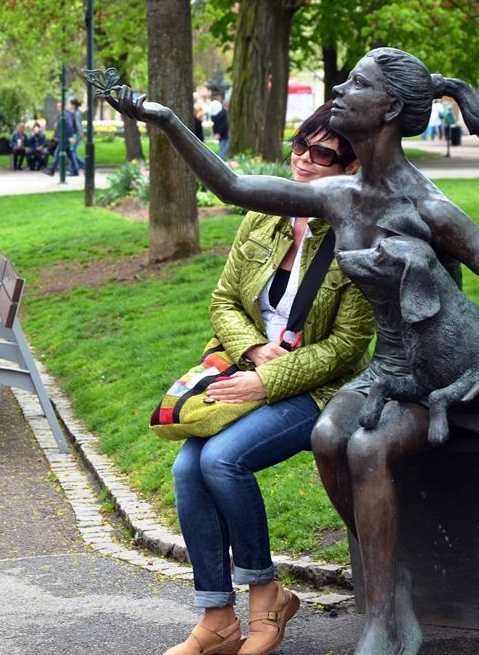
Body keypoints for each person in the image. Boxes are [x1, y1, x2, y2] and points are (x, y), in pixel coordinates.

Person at [110, 47, 479, 655]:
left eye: (356, 83)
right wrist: (165, 120)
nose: (338, 89)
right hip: (384, 373)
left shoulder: (428, 206)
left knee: (360, 446)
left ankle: (382, 611)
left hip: (432, 374)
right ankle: (383, 587)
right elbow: (232, 185)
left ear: (388, 109)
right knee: (325, 437)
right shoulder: (340, 195)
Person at [166, 102, 374, 655]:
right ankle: (216, 617)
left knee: (220, 460)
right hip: (247, 366)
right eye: (299, 145)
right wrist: (254, 351)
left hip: (320, 388)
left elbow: (349, 347)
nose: (302, 159)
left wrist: (270, 380)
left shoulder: (359, 234)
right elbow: (224, 299)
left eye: (321, 153)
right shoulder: (265, 214)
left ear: (351, 166)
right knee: (186, 469)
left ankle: (266, 596)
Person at [46, 101, 79, 176]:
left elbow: (69, 126)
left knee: (57, 154)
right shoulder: (64, 115)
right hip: (63, 138)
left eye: (58, 106)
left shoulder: (65, 115)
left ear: (61, 107)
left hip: (64, 139)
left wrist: (69, 137)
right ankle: (75, 170)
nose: (57, 108)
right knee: (70, 155)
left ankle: (52, 171)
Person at [69, 97, 84, 171]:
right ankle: (74, 168)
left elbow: (78, 125)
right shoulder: (76, 112)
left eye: (70, 104)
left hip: (76, 135)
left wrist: (80, 135)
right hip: (76, 134)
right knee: (72, 152)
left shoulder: (76, 113)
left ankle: (84, 165)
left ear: (74, 105)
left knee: (72, 152)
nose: (70, 106)